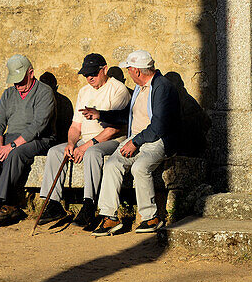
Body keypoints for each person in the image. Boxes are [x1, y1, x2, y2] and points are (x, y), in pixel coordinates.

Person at [36, 53, 132, 230]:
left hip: (112, 140)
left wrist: (86, 146)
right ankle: (53, 204)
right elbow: (75, 126)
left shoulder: (118, 90)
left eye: (93, 73)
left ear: (104, 70)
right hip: (86, 139)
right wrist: (72, 144)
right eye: (86, 74)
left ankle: (89, 203)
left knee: (93, 152)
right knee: (56, 152)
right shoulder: (83, 92)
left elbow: (115, 128)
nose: (89, 78)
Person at [92, 50, 180, 236]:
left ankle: (151, 217)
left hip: (157, 141)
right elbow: (129, 116)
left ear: (137, 71)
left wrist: (135, 142)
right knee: (112, 165)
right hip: (137, 139)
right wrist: (102, 114)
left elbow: (159, 126)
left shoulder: (162, 87)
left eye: (129, 69)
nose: (128, 73)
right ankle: (109, 217)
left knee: (140, 167)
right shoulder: (141, 87)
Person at [0, 54, 56, 227]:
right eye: (15, 81)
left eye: (21, 80)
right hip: (11, 137)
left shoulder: (44, 93)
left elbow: (38, 126)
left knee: (14, 154)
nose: (18, 85)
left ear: (31, 73)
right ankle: (10, 206)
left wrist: (11, 146)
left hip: (39, 139)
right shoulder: (8, 94)